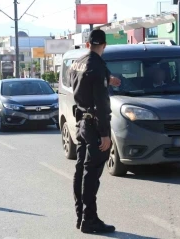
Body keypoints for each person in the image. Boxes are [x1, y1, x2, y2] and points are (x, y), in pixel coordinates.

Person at [68, 29, 121, 234]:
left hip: (81, 122)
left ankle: (80, 216)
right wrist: (105, 134)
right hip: (94, 125)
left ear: (88, 44)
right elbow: (101, 103)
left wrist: (109, 78)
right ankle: (90, 220)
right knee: (91, 173)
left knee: (81, 169)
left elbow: (88, 81)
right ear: (104, 45)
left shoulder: (78, 63)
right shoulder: (98, 68)